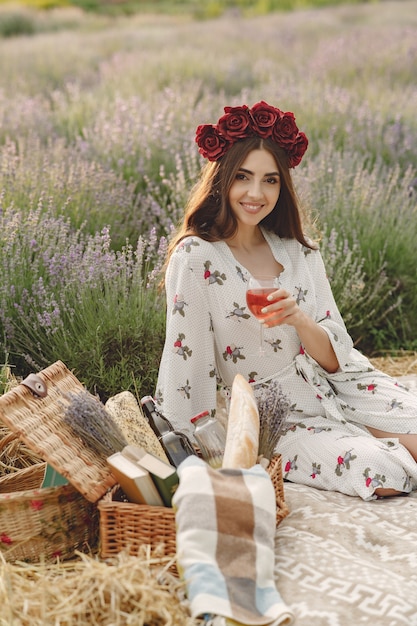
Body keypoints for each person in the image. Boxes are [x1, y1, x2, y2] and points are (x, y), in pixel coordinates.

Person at [155, 100, 417, 500]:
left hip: (343, 384)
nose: (256, 193)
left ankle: (379, 428)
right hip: (278, 414)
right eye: (243, 177)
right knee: (378, 471)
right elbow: (185, 363)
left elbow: (336, 356)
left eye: (270, 180)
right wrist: (187, 460)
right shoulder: (196, 258)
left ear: (283, 185)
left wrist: (300, 320)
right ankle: (373, 440)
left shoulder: (298, 250)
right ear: (222, 178)